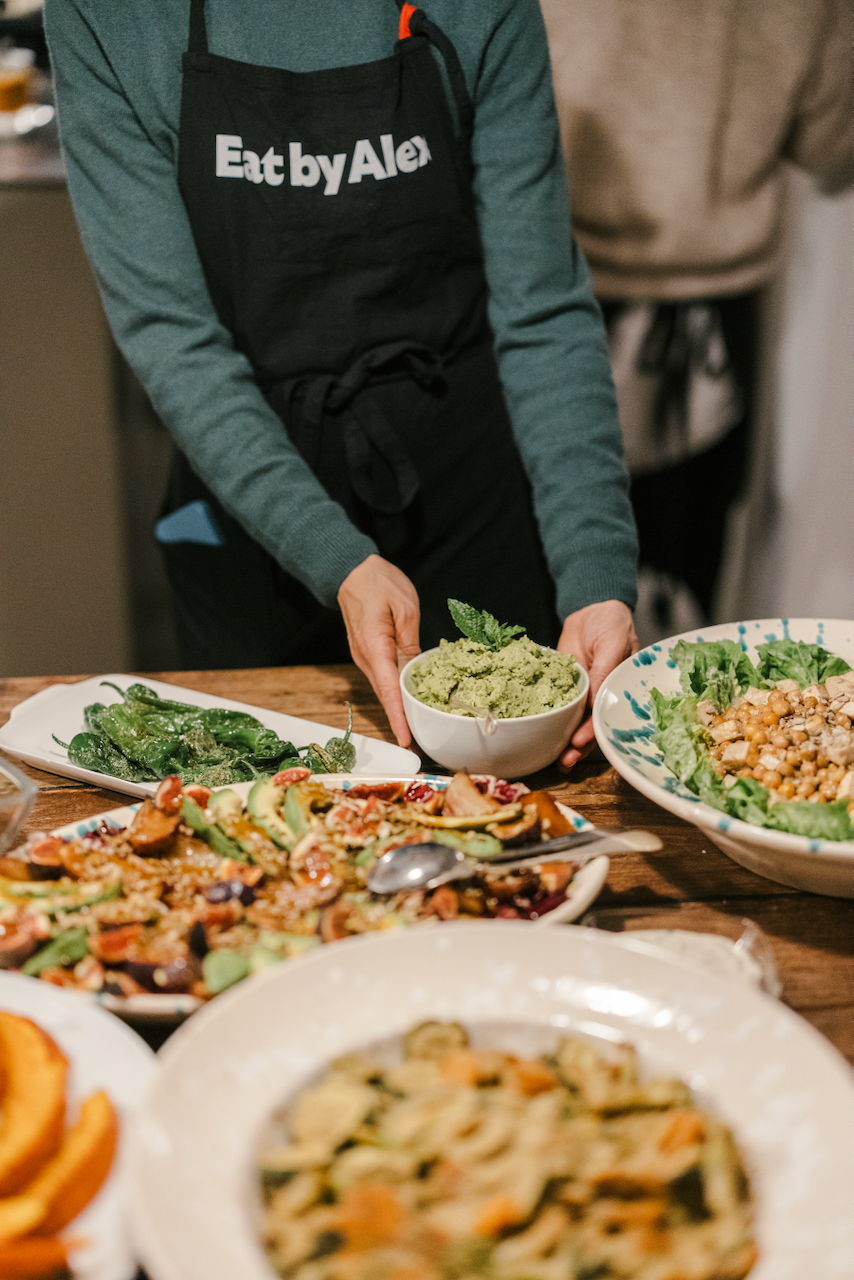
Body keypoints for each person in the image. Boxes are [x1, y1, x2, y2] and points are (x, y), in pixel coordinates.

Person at [45, 0, 639, 765]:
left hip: (468, 491)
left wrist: (597, 576)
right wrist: (338, 559)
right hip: (252, 507)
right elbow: (173, 335)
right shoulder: (108, 15)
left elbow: (543, 311)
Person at [540, 0, 853, 642]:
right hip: (593, 310)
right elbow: (833, 141)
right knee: (667, 597)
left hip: (580, 292)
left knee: (559, 590)